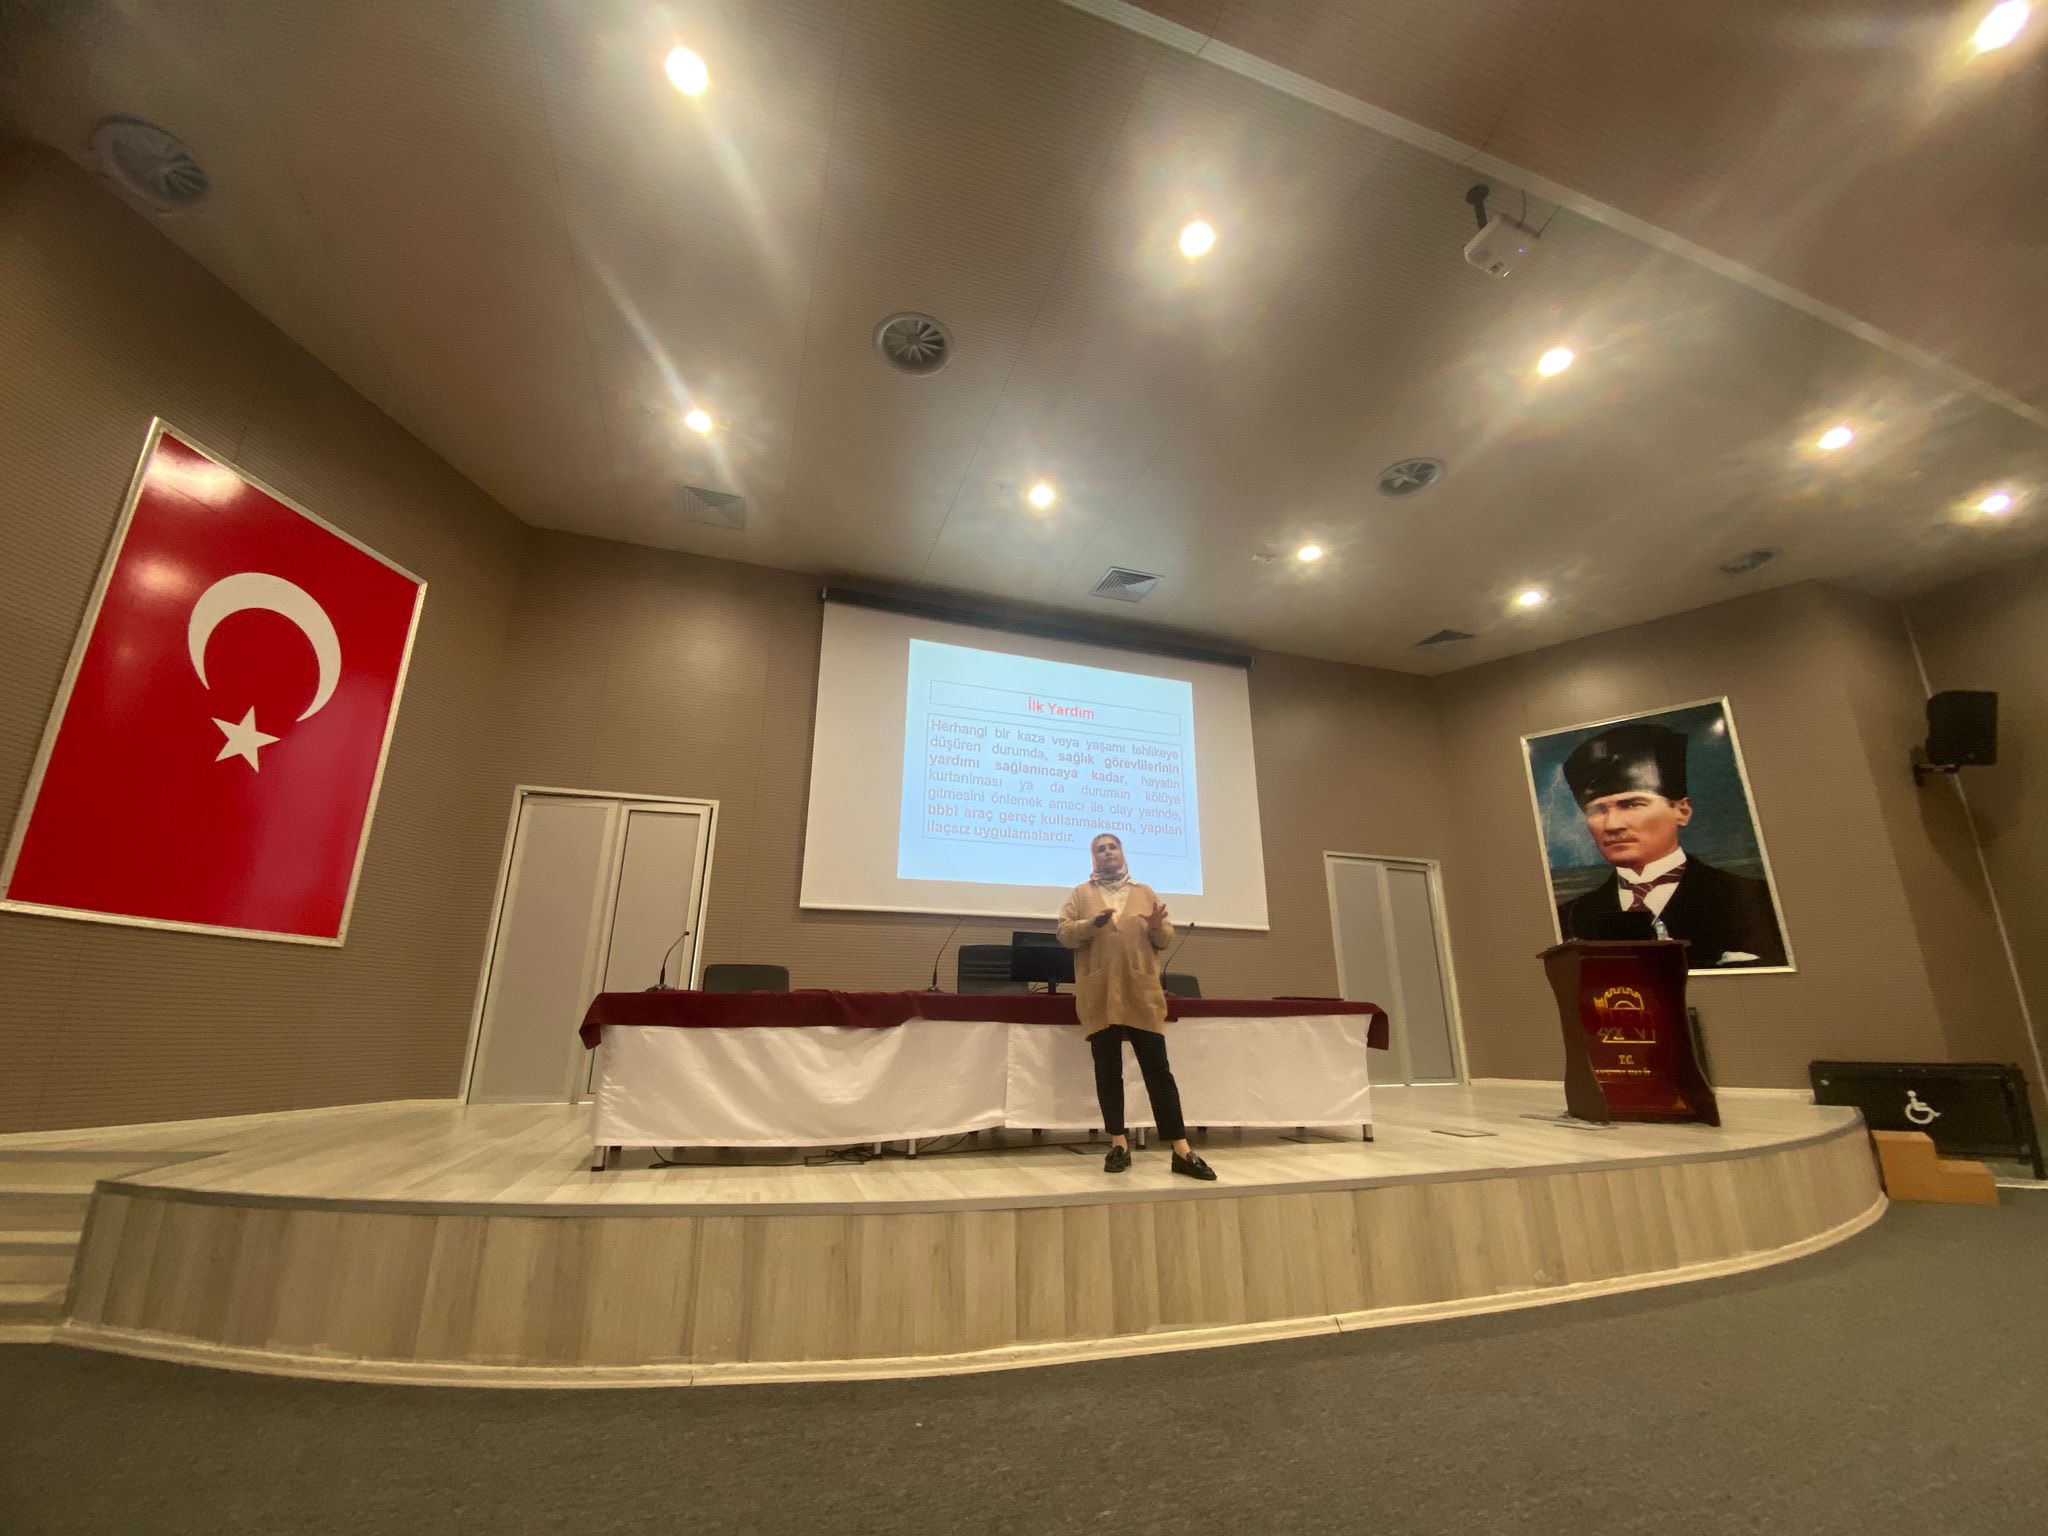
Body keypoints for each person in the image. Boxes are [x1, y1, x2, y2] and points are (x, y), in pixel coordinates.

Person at [1554, 722, 1788, 968]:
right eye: (1597, 810)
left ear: (1682, 811)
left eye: (1632, 804)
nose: (1612, 825)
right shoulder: (1571, 917)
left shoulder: (1753, 900)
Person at [1057, 832, 1216, 1180]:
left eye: (1112, 847)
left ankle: (1181, 1149)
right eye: (1100, 849)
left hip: (1141, 994)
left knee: (1158, 1071)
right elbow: (1064, 934)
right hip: (1101, 993)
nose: (1107, 852)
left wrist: (1157, 928)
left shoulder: (1144, 893)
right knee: (1108, 1071)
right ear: (1093, 857)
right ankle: (1118, 1143)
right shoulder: (1081, 894)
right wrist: (1091, 924)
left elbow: (1165, 939)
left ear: (1122, 853)